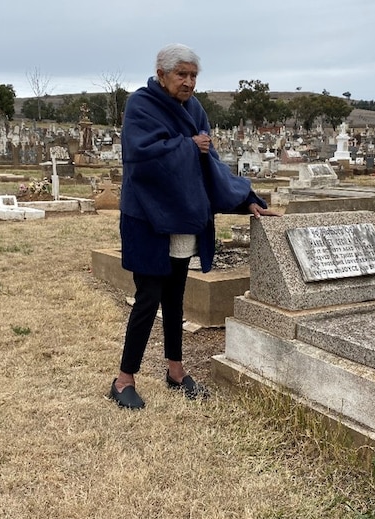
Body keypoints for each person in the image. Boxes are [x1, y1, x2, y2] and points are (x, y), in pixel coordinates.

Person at [109, 43, 279, 410]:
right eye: (181, 74)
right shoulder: (141, 105)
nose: (188, 82)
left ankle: (175, 370)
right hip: (148, 217)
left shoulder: (196, 109)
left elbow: (209, 164)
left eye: (193, 76)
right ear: (161, 75)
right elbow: (141, 155)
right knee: (147, 298)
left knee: (175, 297)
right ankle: (123, 380)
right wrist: (190, 145)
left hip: (185, 216)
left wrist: (245, 198)